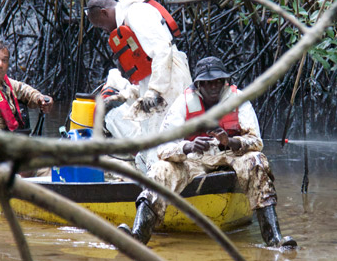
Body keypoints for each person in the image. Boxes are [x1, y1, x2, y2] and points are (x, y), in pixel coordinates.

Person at [119, 56, 297, 249]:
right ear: (199, 85)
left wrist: (229, 141)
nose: (214, 87)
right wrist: (189, 146)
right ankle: (138, 236)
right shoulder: (183, 103)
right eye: (208, 83)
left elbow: (256, 142)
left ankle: (274, 239)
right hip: (194, 159)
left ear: (224, 82)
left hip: (230, 155)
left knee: (256, 161)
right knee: (160, 170)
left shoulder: (239, 100)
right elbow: (163, 147)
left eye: (218, 82)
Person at [85, 0, 192, 171]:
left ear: (104, 12)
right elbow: (146, 70)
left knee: (165, 136)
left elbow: (162, 51)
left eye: (101, 26)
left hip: (171, 77)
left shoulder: (136, 13)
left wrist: (155, 91)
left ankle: (166, 183)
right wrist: (129, 94)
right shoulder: (127, 18)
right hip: (160, 78)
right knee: (151, 137)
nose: (104, 31)